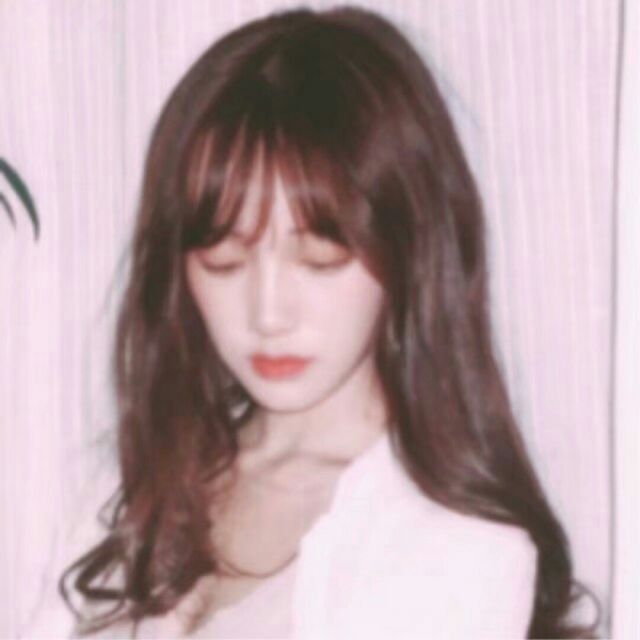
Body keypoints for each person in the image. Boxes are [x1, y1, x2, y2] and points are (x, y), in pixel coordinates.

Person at [25, 5, 601, 639]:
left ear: (407, 249)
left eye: (320, 260)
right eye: (225, 261)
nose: (269, 313)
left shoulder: (458, 548)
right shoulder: (124, 489)